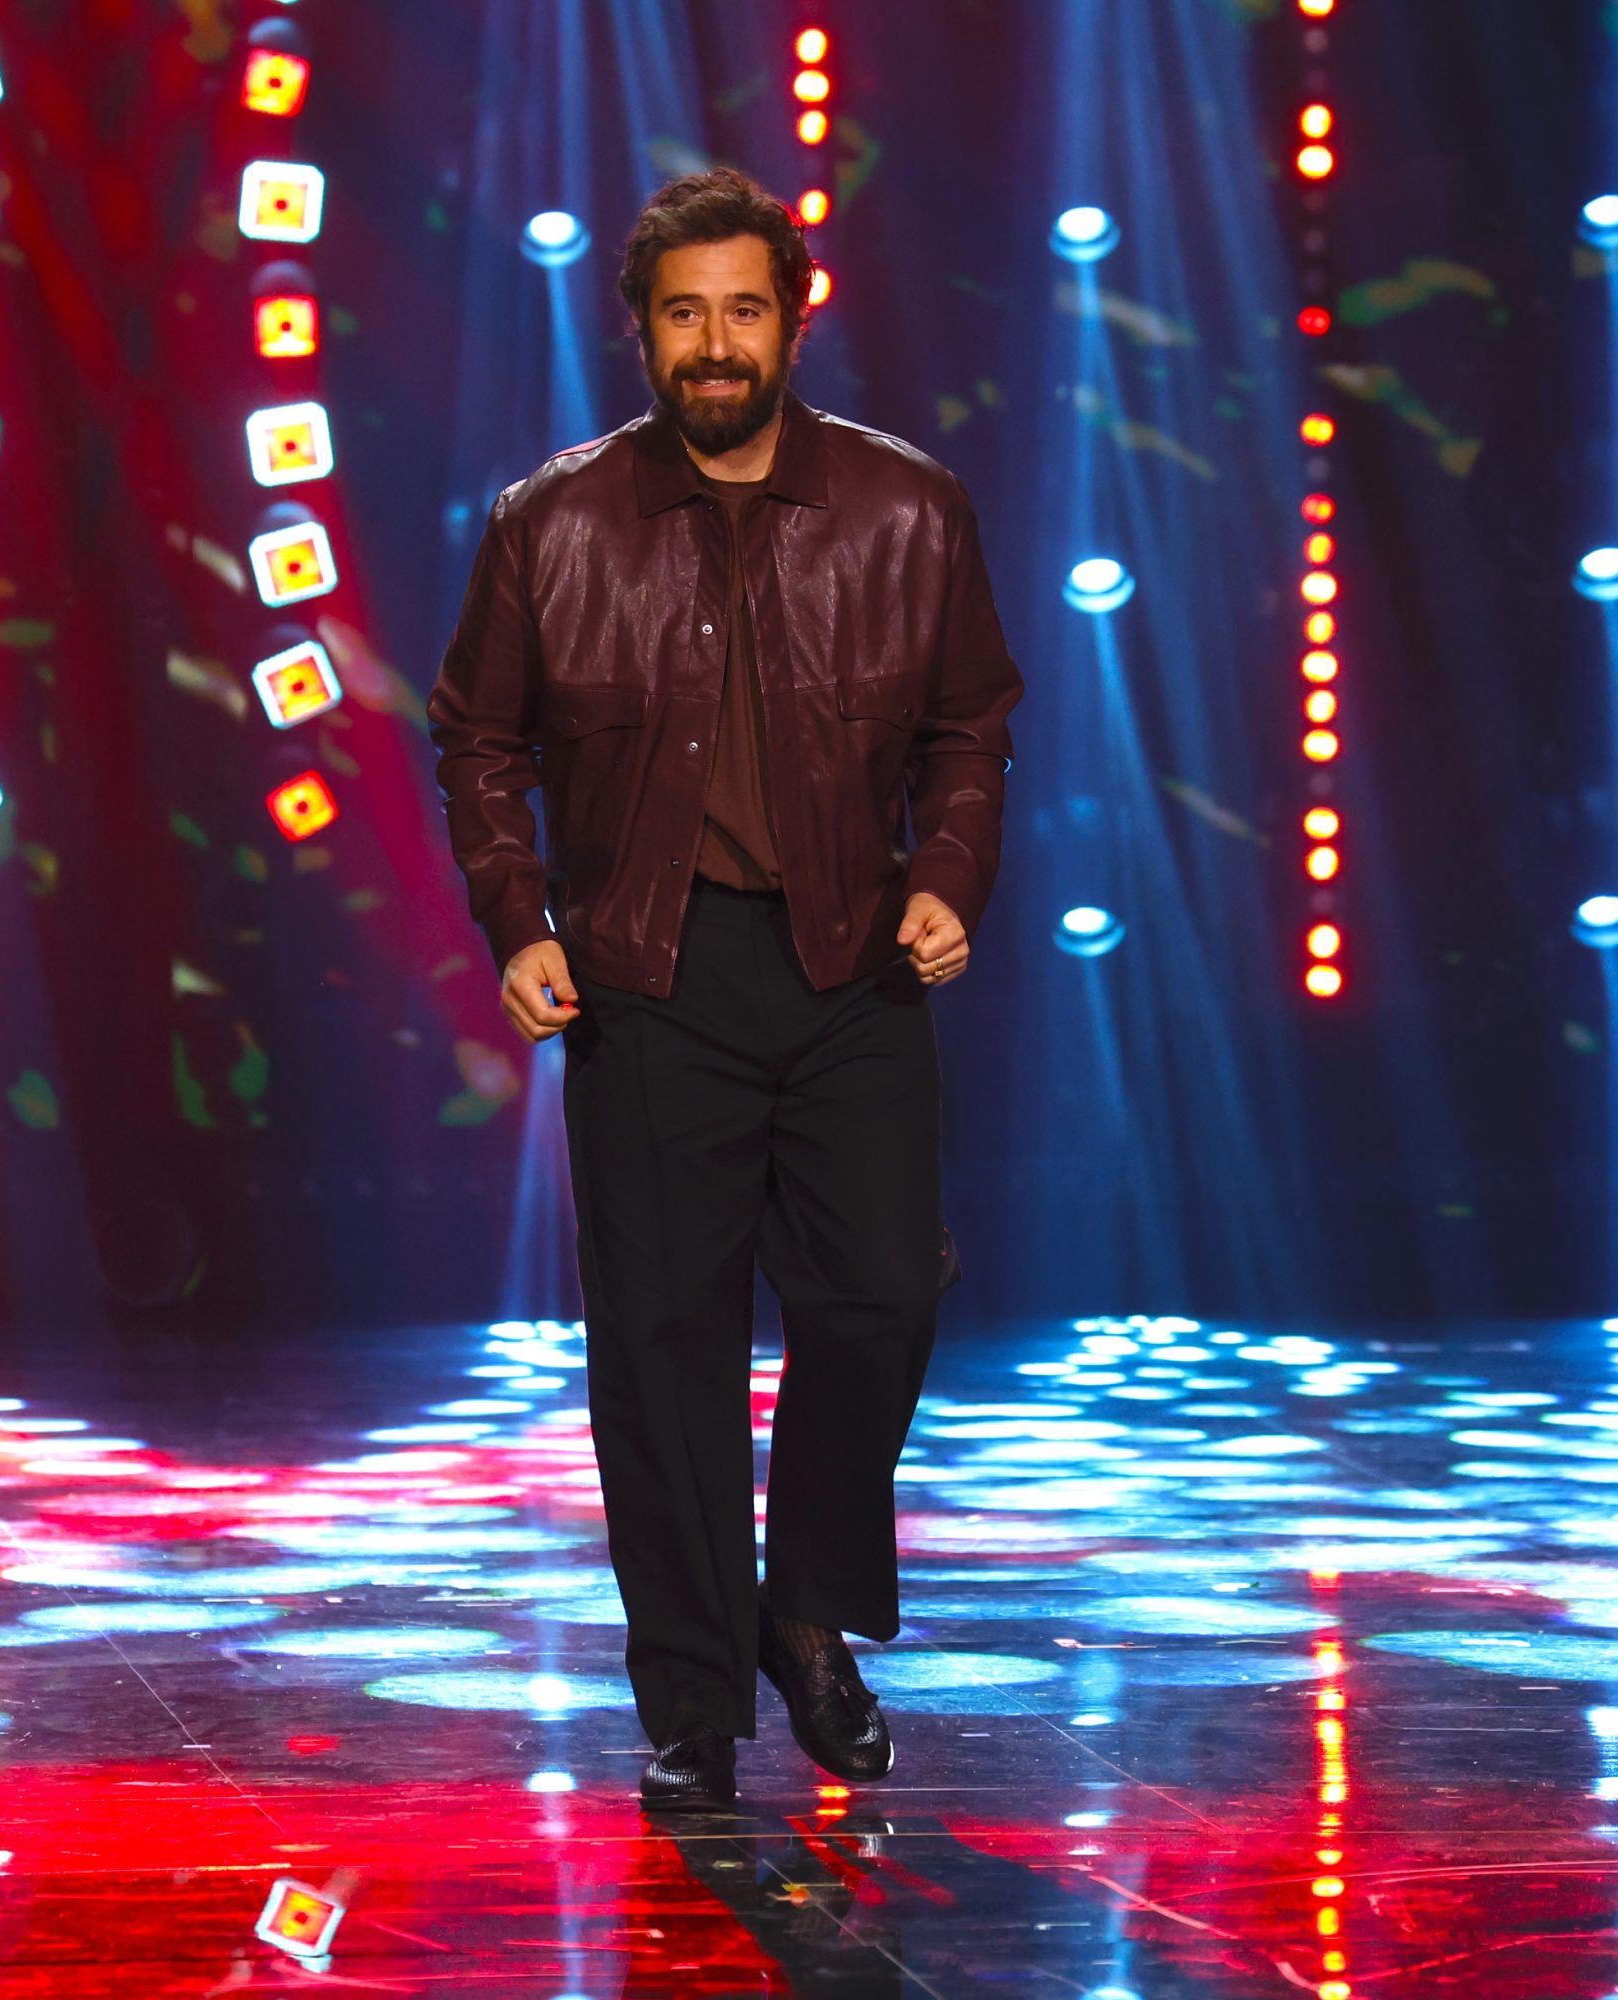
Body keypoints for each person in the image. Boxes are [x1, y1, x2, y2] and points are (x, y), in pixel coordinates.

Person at [428, 168, 1023, 1812]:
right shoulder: (553, 523)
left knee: (884, 1291)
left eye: (742, 310)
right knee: (662, 1345)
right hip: (647, 970)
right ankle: (692, 1700)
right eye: (682, 313)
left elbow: (971, 725)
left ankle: (803, 1610)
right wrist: (519, 917)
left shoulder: (909, 509)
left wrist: (947, 874)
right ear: (640, 332)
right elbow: (477, 737)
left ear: (792, 323)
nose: (713, 343)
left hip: (852, 960)